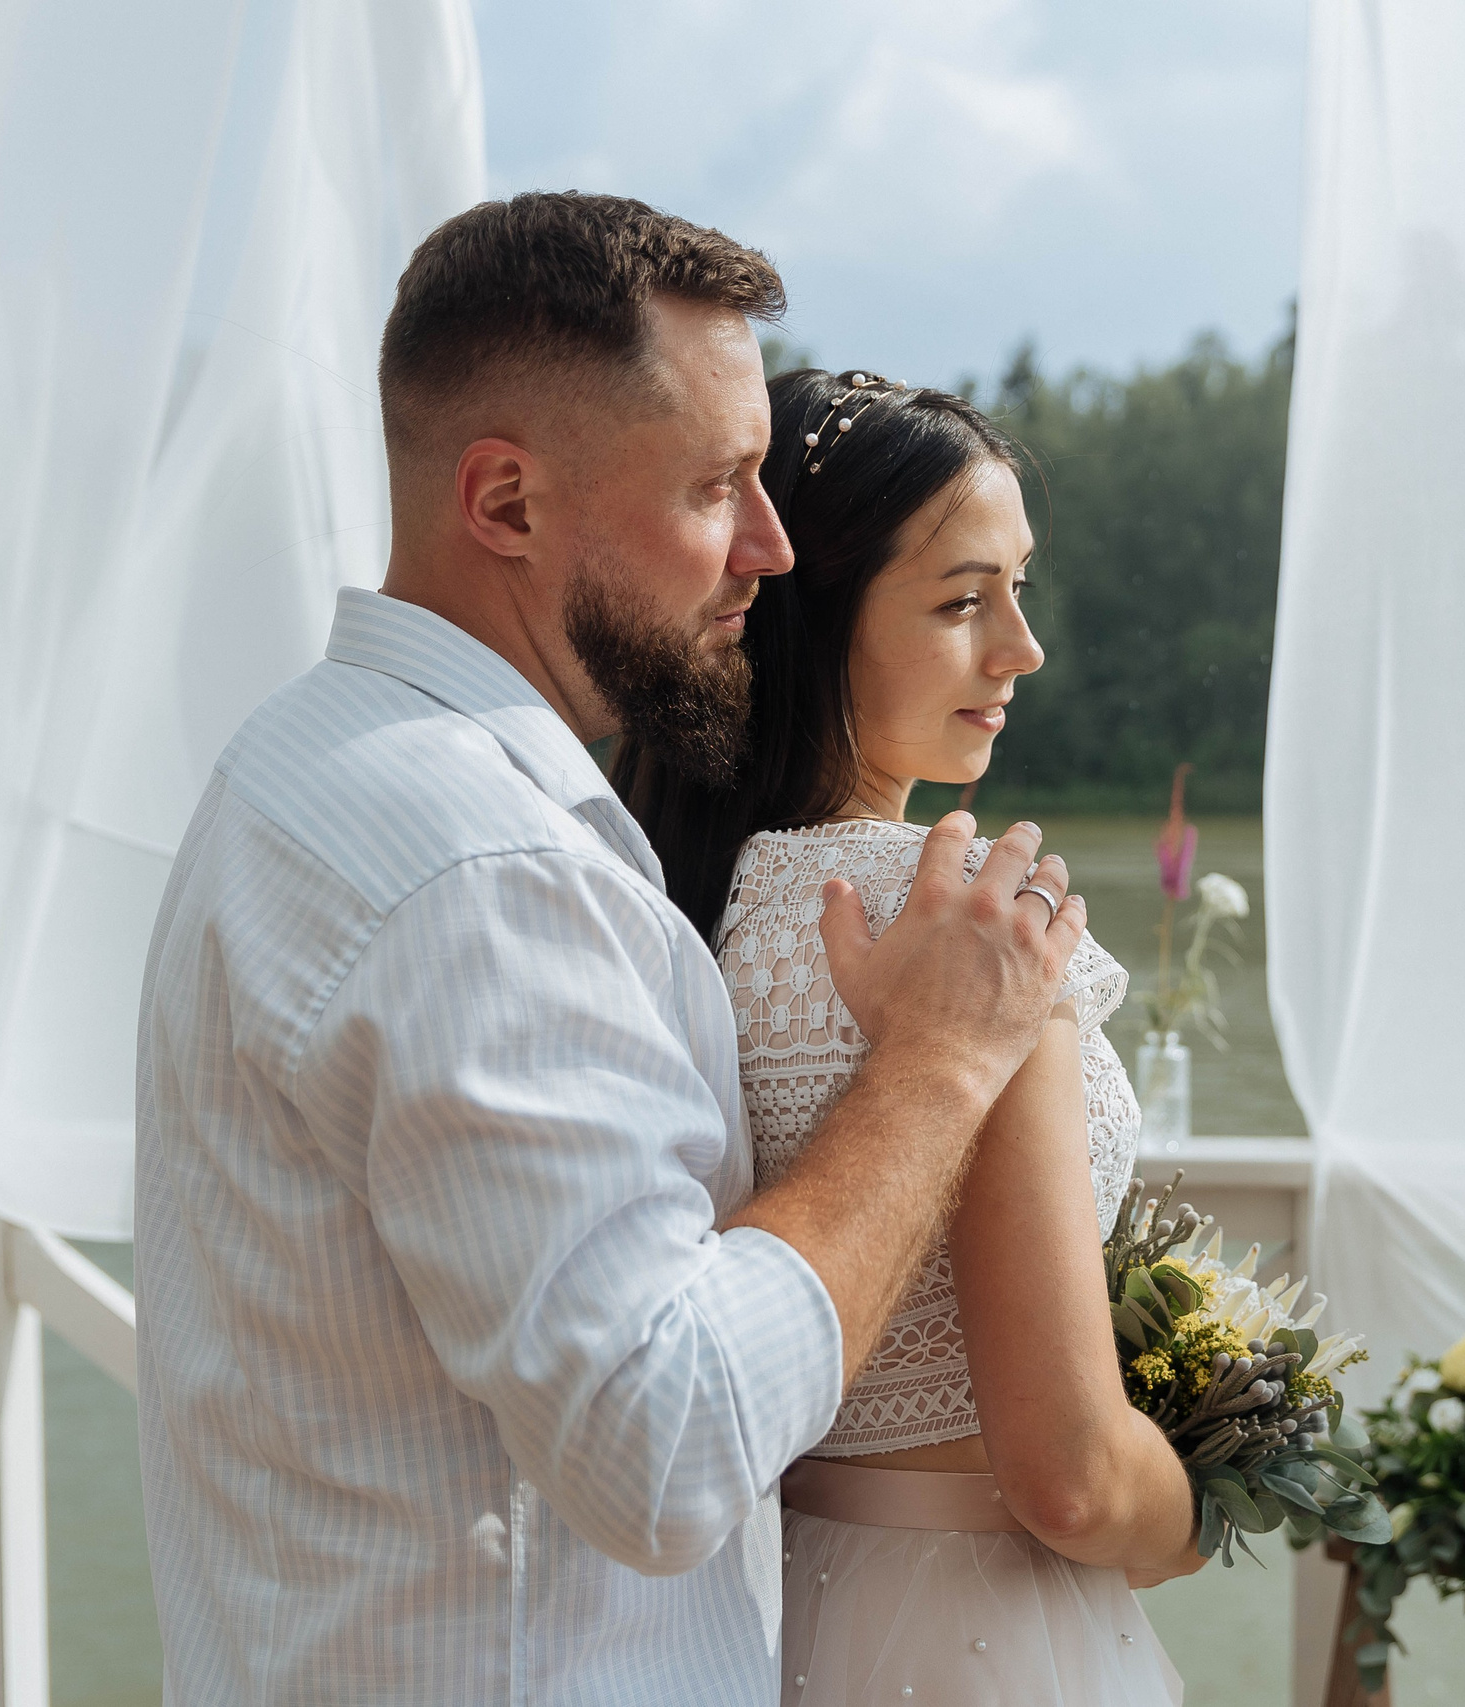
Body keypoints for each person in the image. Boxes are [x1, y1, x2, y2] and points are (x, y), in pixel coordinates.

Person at [134, 194, 1091, 1706]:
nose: (770, 549)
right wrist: (940, 1065)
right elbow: (670, 1442)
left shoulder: (298, 767)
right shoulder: (479, 870)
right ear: (505, 502)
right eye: (716, 487)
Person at [617, 371, 1202, 1705]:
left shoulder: (661, 912)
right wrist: (1196, 1505)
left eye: (1018, 591)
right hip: (982, 1634)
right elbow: (1070, 1476)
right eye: (960, 602)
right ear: (808, 619)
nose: (1022, 649)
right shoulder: (973, 932)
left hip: (746, 1620)